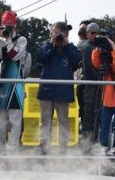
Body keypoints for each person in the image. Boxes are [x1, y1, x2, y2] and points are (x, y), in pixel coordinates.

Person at [35, 22, 82, 154]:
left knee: (63, 121)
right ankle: (44, 148)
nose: (55, 36)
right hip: (46, 90)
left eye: (57, 33)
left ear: (65, 34)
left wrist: (66, 45)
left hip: (63, 91)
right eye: (53, 33)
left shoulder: (71, 48)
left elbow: (78, 60)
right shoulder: (46, 45)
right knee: (45, 121)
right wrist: (51, 43)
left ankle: (63, 149)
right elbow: (39, 58)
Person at [0, 10, 27, 152]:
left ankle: (13, 148)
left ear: (15, 25)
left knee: (15, 120)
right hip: (0, 81)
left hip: (16, 83)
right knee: (0, 120)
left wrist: (9, 40)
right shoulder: (0, 38)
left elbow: (15, 56)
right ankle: (0, 146)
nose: (6, 30)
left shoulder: (22, 40)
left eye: (9, 27)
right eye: (4, 26)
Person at [79, 22, 102, 148]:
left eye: (97, 32)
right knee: (88, 113)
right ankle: (86, 142)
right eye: (92, 32)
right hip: (91, 84)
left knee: (98, 113)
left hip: (99, 84)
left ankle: (94, 140)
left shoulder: (101, 46)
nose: (95, 35)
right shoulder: (88, 47)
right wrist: (100, 76)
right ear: (87, 34)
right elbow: (88, 69)